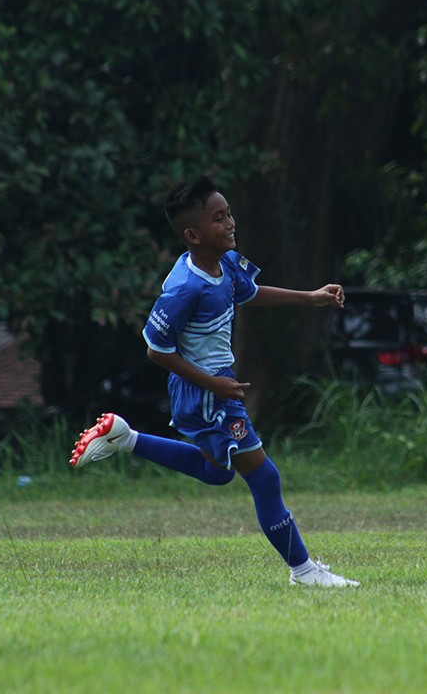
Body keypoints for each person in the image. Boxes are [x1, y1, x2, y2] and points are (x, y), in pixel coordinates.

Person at [70, 175, 358, 588]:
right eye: (218, 218)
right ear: (193, 235)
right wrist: (213, 384)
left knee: (217, 472)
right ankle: (304, 572)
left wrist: (311, 297)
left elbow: (249, 292)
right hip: (207, 392)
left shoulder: (225, 262)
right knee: (265, 477)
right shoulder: (185, 288)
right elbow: (155, 350)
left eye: (228, 213)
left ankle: (125, 437)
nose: (230, 223)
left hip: (214, 386)